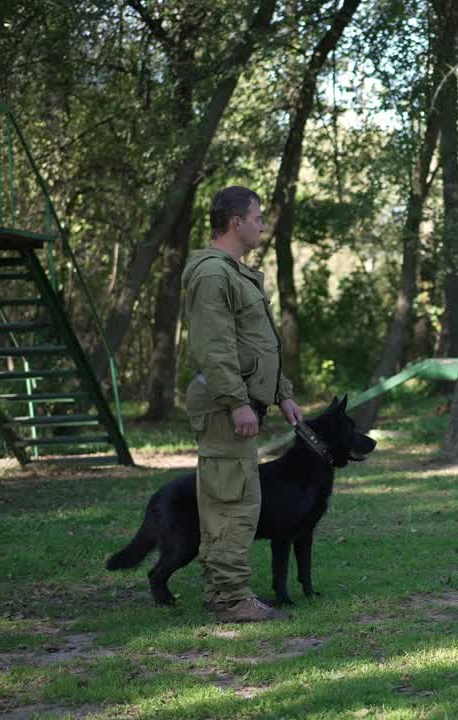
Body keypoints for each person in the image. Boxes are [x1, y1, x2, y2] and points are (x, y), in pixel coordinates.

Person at [181, 186, 303, 623]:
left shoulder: (236, 272)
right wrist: (235, 402)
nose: (262, 225)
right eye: (257, 218)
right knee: (231, 502)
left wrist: (282, 395)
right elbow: (214, 347)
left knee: (236, 498)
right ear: (236, 223)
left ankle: (225, 593)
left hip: (241, 402)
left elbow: (257, 343)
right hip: (223, 406)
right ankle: (231, 598)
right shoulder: (214, 275)